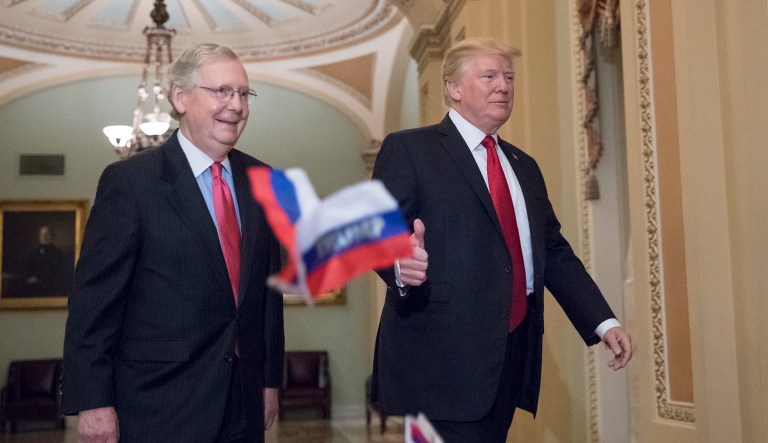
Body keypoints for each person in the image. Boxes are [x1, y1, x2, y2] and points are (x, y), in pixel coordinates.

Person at [370, 37, 632, 442]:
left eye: (508, 77)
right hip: (439, 364)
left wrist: (603, 321)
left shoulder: (523, 166)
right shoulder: (409, 149)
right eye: (489, 75)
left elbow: (554, 253)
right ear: (454, 89)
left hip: (509, 358)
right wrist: (400, 265)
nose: (504, 86)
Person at [62, 43, 284, 443]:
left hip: (243, 402)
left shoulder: (262, 179)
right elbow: (93, 303)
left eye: (243, 93)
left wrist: (268, 380)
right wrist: (93, 401)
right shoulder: (130, 183)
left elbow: (267, 296)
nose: (236, 105)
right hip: (159, 403)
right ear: (180, 98)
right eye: (221, 91)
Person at [19, 224, 73, 297]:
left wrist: (39, 278)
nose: (44, 237)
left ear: (52, 236)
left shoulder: (58, 254)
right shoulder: (32, 253)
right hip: (32, 287)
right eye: (42, 234)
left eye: (47, 234)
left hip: (51, 287)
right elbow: (25, 268)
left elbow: (58, 273)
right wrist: (28, 278)